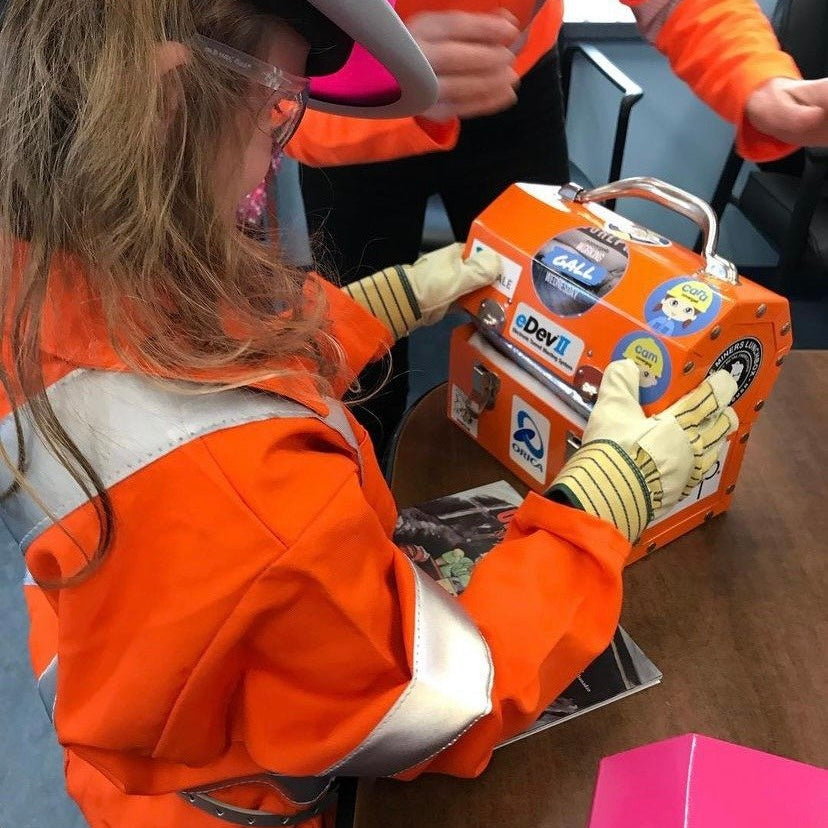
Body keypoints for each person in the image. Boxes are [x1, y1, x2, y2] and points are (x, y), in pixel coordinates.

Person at [0, 1, 738, 826]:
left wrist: (365, 312)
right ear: (169, 105)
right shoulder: (253, 502)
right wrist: (594, 512)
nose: (268, 162)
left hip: (144, 689)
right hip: (243, 799)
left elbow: (190, 350)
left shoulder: (43, 267)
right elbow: (438, 698)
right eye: (274, 113)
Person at [293, 0, 828, 455]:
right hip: (346, 91)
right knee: (361, 360)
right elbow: (240, 48)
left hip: (511, 82)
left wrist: (757, 79)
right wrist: (366, 70)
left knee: (557, 324)